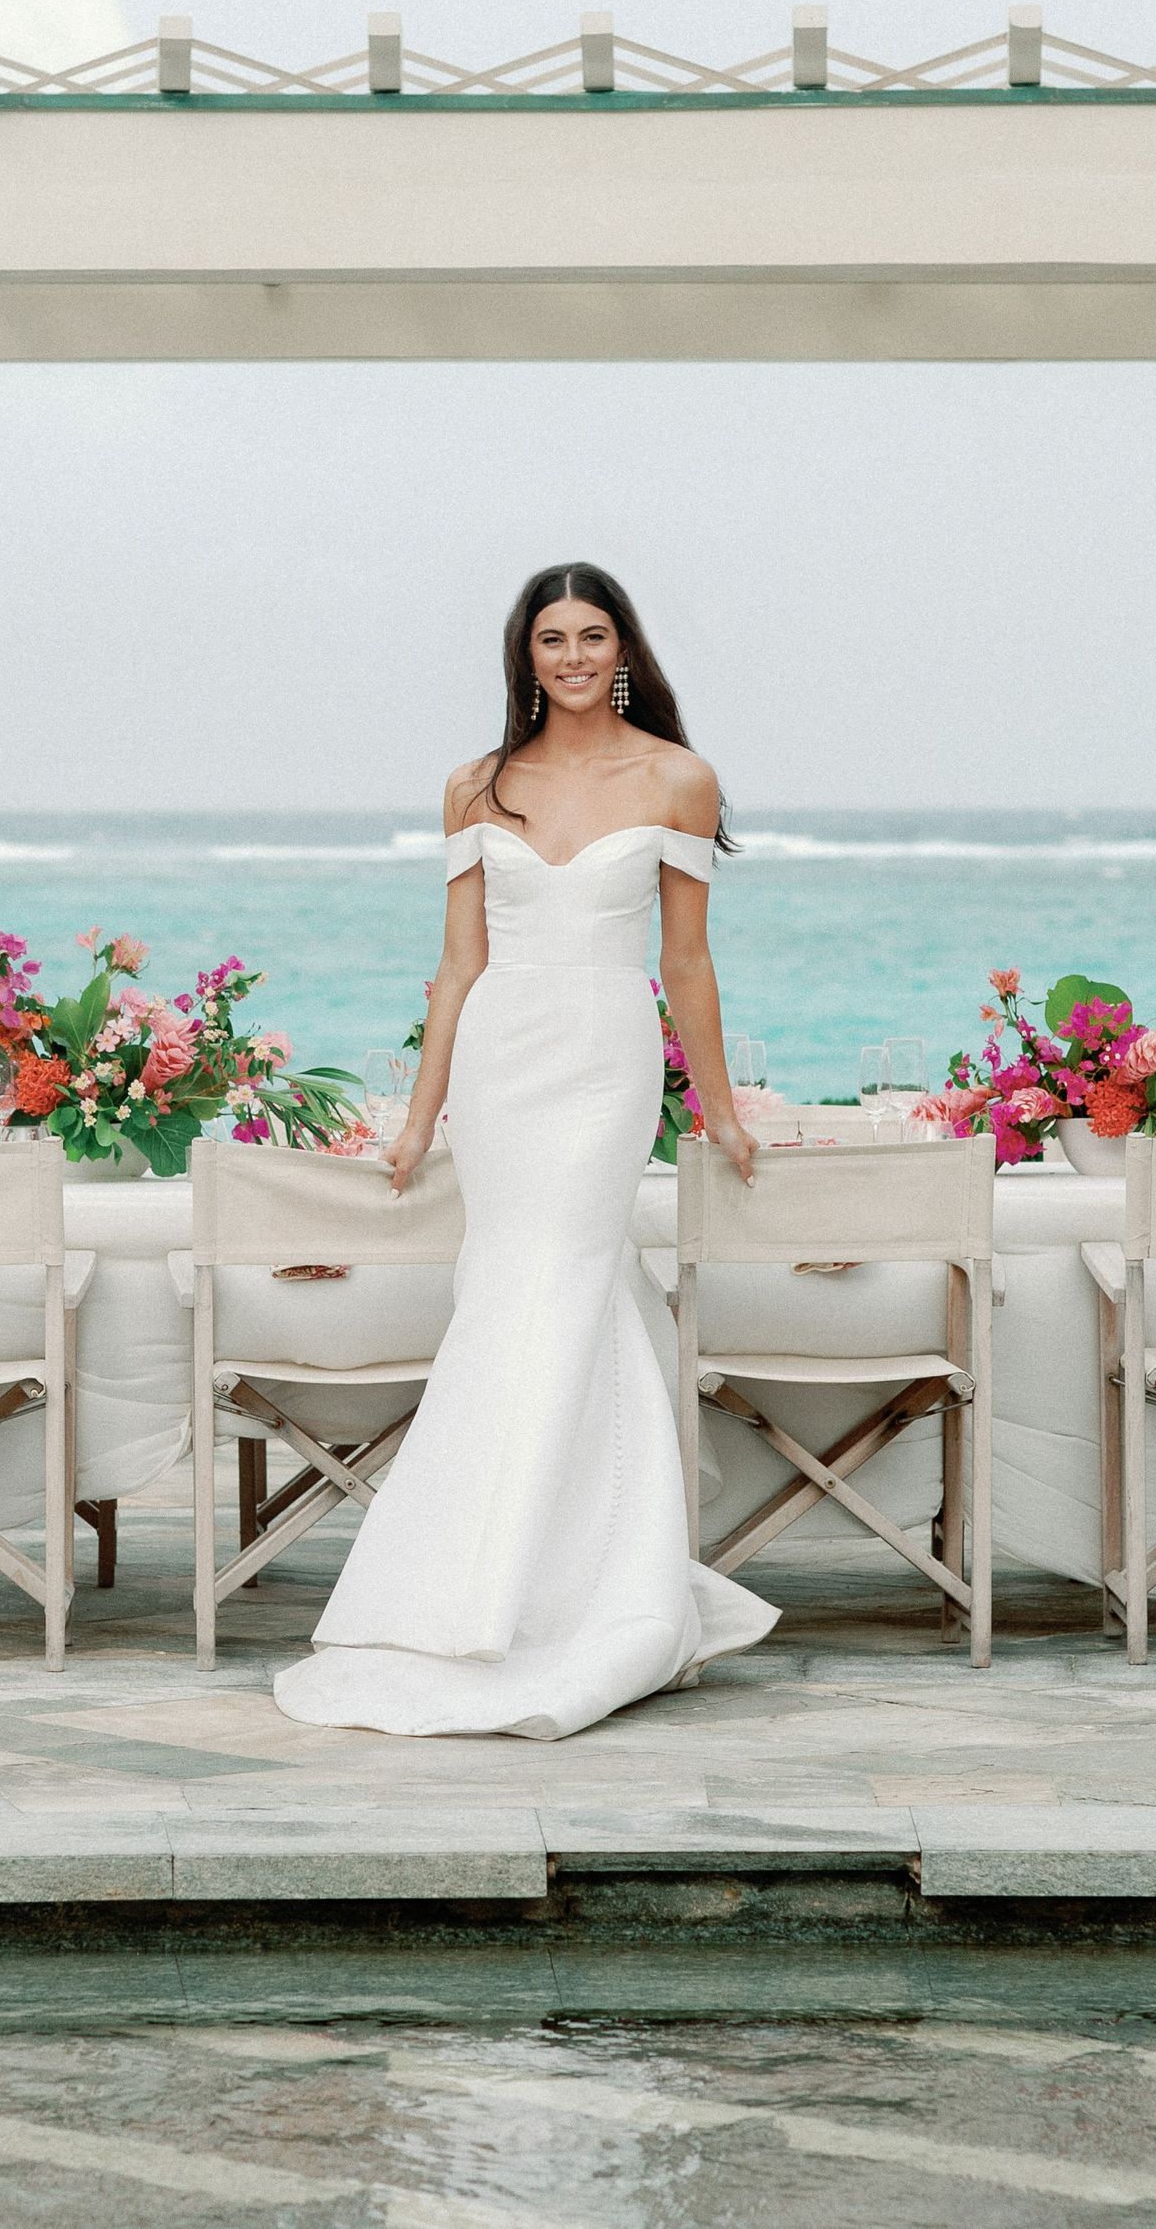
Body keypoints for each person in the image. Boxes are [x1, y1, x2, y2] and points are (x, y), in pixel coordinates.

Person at [273, 561, 778, 1740]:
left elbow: (688, 965)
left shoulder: (677, 777)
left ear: (624, 648)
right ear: (525, 655)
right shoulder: (474, 786)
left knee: (559, 1278)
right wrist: (416, 1115)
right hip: (503, 1066)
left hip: (605, 1061)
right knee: (522, 1291)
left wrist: (717, 1110)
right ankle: (525, 1571)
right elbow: (458, 966)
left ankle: (571, 1586)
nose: (572, 655)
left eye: (591, 634)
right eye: (551, 638)